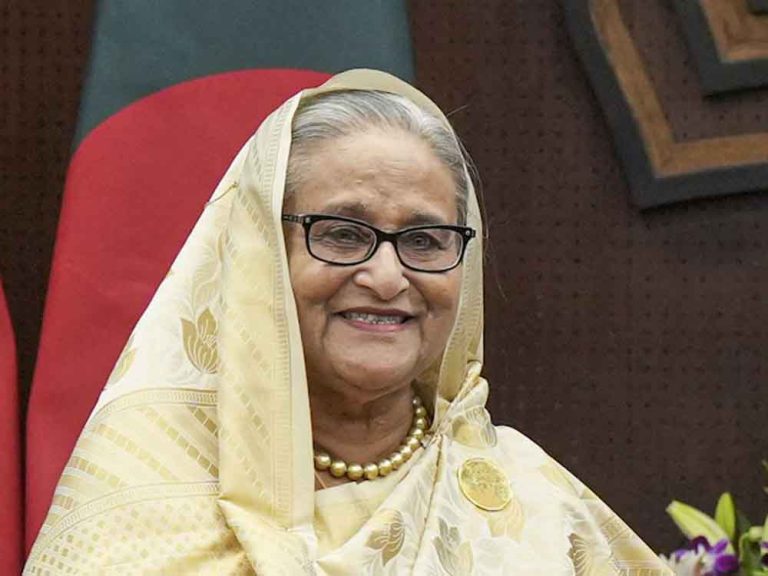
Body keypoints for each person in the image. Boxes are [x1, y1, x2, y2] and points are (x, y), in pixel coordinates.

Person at [24, 70, 672, 575]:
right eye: (341, 233)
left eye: (425, 240)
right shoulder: (137, 506)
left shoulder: (532, 507)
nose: (388, 278)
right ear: (259, 257)